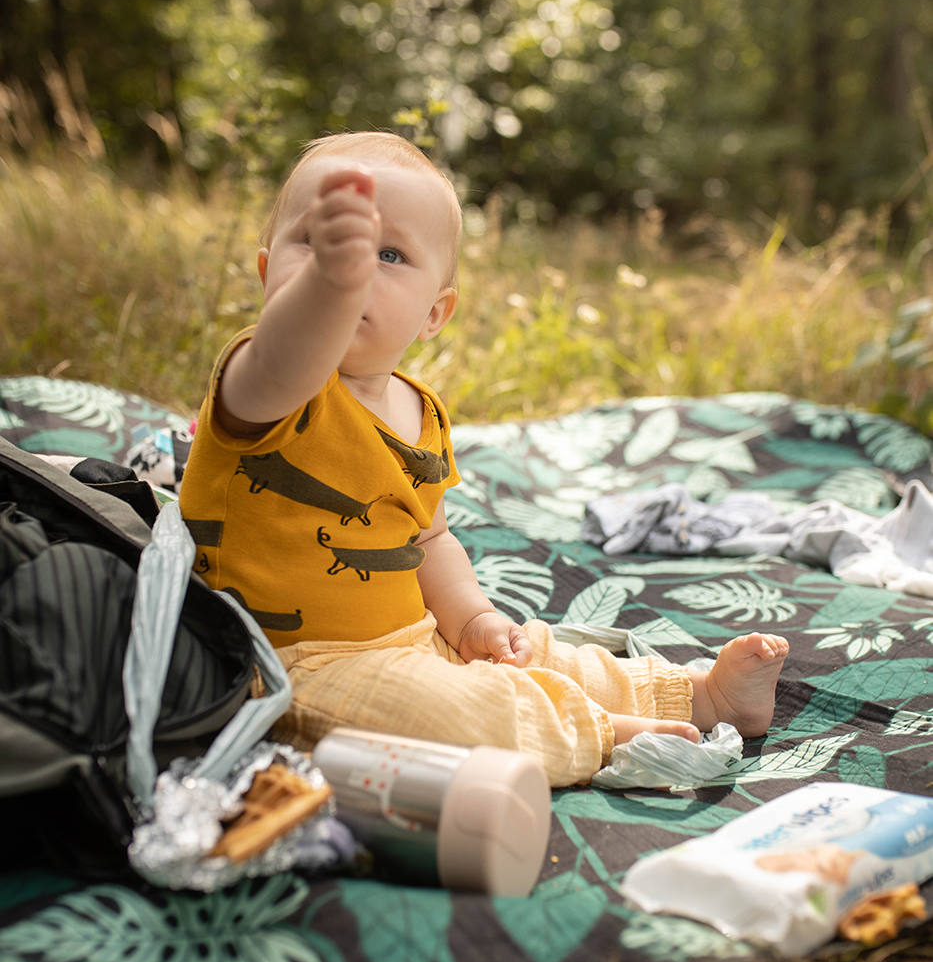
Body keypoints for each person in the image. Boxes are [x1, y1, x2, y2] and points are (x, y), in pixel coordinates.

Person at [179, 131, 788, 787]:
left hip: (414, 636)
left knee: (533, 650)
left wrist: (471, 618)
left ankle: (700, 695)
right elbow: (288, 353)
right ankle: (599, 734)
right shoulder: (263, 381)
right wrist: (327, 288)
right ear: (268, 274)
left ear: (433, 314)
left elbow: (429, 538)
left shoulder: (420, 412)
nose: (351, 267)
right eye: (318, 241)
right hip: (288, 666)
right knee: (460, 711)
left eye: (388, 254)